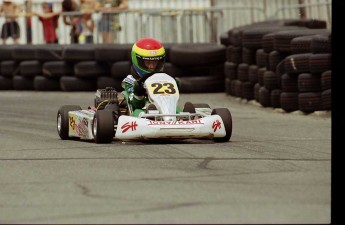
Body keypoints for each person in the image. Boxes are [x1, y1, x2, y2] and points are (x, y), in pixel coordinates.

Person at [121, 37, 180, 115]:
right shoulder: (130, 80)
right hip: (144, 110)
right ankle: (151, 117)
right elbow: (135, 106)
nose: (152, 66)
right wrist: (138, 94)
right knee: (137, 112)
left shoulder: (164, 79)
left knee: (178, 110)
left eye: (155, 62)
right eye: (148, 62)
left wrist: (175, 85)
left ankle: (188, 118)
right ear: (138, 61)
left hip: (164, 108)